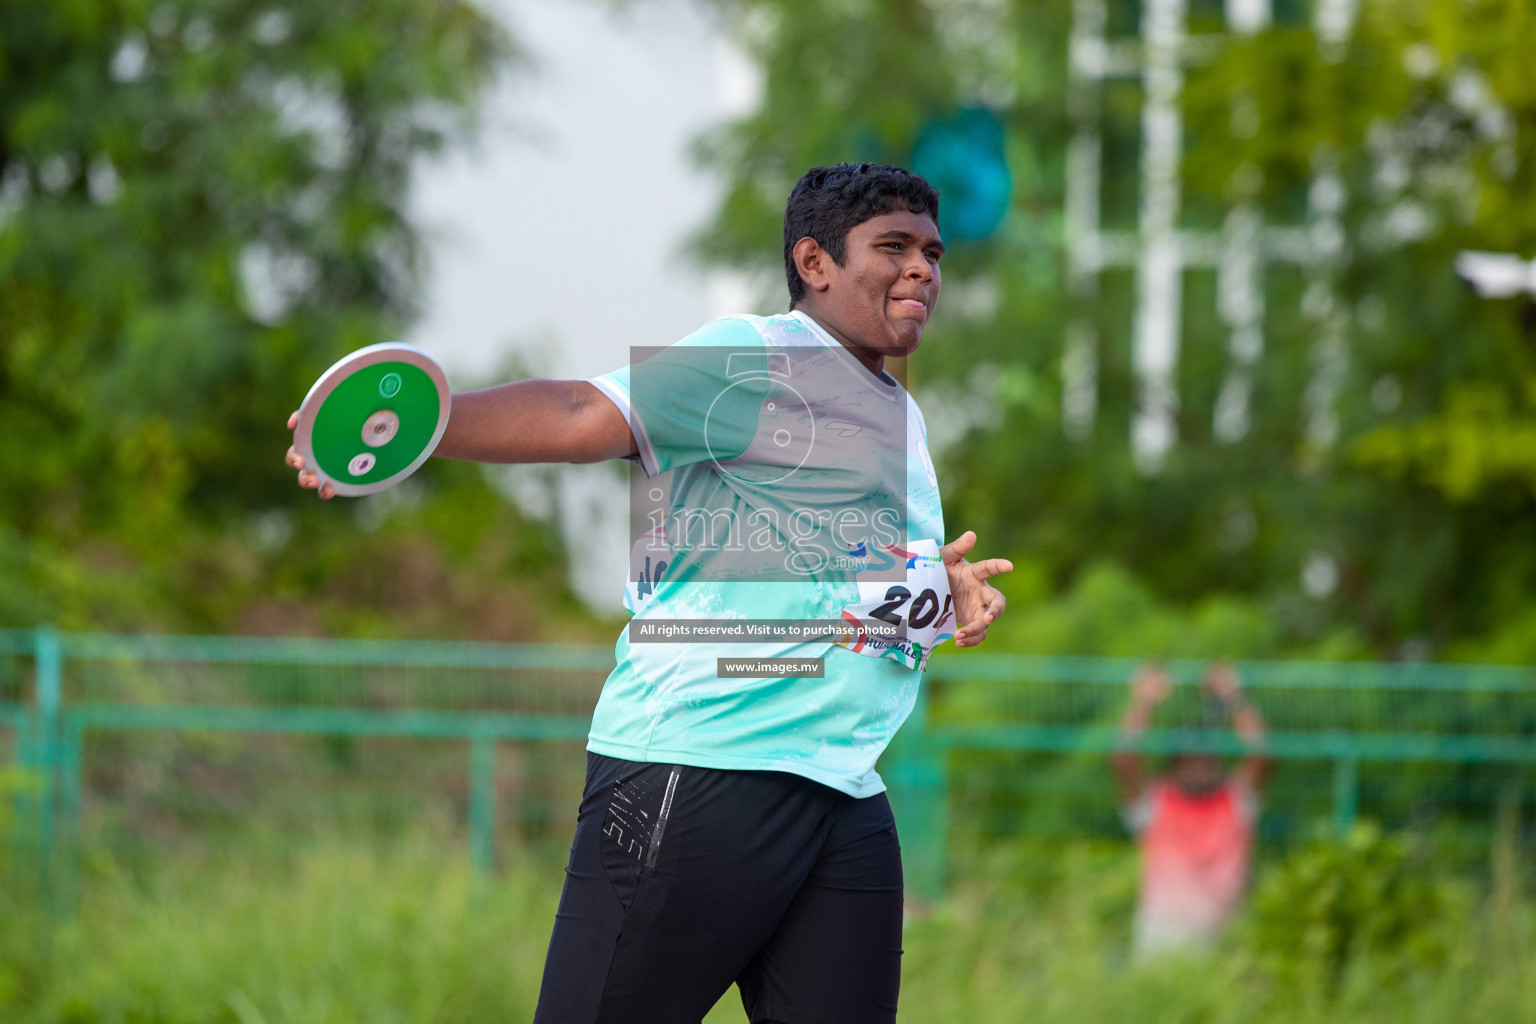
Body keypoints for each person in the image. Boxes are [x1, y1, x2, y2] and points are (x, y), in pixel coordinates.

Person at [285, 163, 1011, 1022]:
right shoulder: (757, 357)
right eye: (892, 247)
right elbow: (576, 416)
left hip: (842, 790)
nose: (923, 268)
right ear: (815, 263)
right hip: (698, 772)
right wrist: (416, 428)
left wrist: (940, 589)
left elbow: (825, 575)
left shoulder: (895, 411)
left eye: (932, 250)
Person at [1109, 662, 1270, 956]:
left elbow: (1263, 754)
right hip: (1162, 952)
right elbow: (1123, 758)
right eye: (1190, 758)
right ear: (1175, 763)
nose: (1199, 765)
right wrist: (1143, 702)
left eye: (1206, 758)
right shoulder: (1155, 804)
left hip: (1227, 947)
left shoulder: (1235, 801)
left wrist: (1234, 698)